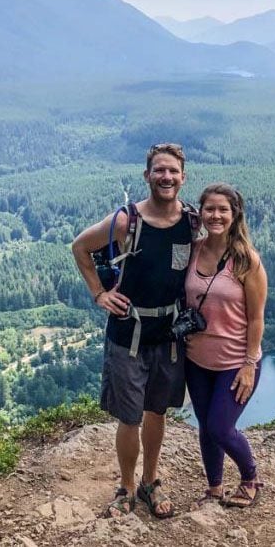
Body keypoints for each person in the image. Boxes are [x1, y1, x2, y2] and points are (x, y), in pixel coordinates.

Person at [71, 143, 197, 520]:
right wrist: (99, 294)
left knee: (156, 411)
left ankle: (151, 481)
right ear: (147, 176)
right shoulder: (127, 221)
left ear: (183, 177)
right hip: (128, 333)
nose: (166, 177)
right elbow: (80, 247)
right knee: (130, 417)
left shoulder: (191, 222)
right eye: (159, 170)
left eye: (173, 171)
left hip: (167, 335)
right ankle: (126, 486)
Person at [184, 182, 267, 509]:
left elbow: (257, 318)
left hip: (235, 361)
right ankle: (215, 487)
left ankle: (250, 478)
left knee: (220, 426)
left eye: (223, 210)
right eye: (209, 209)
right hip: (197, 359)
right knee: (206, 426)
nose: (215, 215)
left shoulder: (247, 261)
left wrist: (250, 363)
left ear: (235, 215)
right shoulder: (193, 251)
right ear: (201, 212)